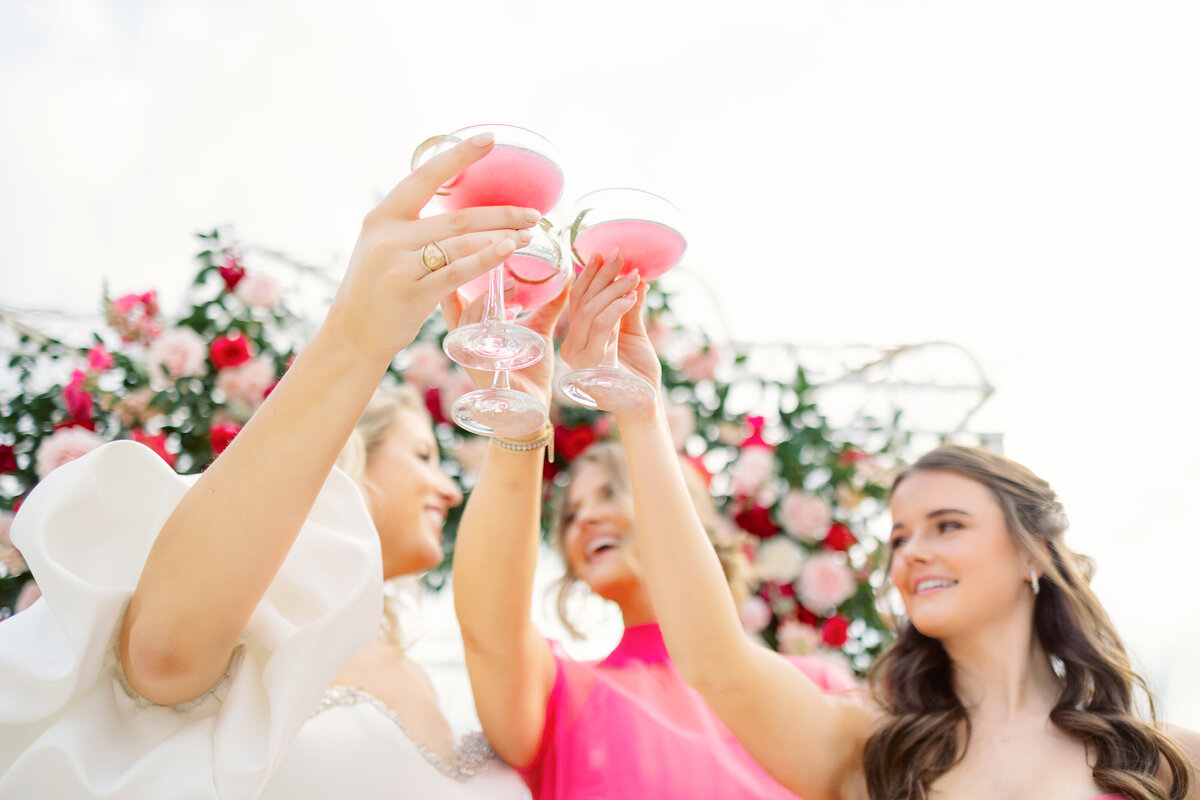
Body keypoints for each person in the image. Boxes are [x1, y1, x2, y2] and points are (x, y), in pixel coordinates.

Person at [0, 133, 537, 799]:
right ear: (358, 456)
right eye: (423, 455)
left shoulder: (443, 682)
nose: (448, 490)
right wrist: (356, 338)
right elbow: (162, 653)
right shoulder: (253, 609)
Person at [558, 254, 1200, 799]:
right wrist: (641, 414)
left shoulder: (1165, 763)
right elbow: (714, 663)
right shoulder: (870, 750)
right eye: (898, 537)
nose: (912, 552)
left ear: (1034, 553)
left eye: (947, 526)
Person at [446, 252, 858, 800]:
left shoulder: (819, 689)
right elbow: (489, 632)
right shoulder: (563, 696)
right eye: (570, 515)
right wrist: (518, 421)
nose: (586, 518)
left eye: (609, 495)